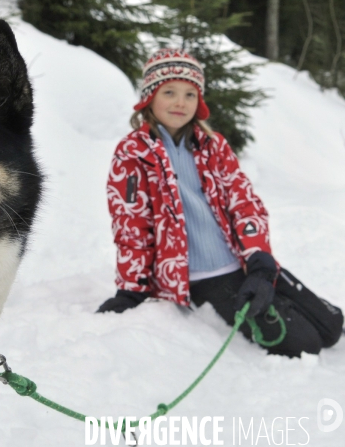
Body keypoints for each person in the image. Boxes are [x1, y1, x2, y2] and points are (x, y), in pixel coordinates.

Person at [97, 49, 343, 357]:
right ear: (149, 97)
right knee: (304, 342)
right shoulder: (132, 153)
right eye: (169, 92)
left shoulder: (213, 146)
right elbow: (131, 224)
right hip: (203, 278)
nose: (179, 102)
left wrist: (260, 261)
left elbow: (244, 202)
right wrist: (131, 289)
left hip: (241, 261)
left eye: (189, 94)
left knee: (332, 326)